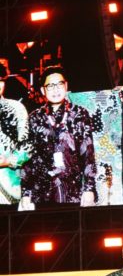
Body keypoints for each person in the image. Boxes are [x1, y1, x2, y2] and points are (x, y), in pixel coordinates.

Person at [19, 64, 97, 209]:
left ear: (66, 86)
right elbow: (28, 159)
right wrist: (26, 193)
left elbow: (88, 155)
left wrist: (89, 188)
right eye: (50, 86)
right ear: (43, 90)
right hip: (41, 195)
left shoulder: (80, 114)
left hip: (73, 194)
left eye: (59, 84)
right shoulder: (34, 118)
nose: (55, 89)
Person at [0, 61, 30, 205]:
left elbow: (27, 147)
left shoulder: (16, 109)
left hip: (10, 190)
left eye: (0, 80)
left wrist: (7, 161)